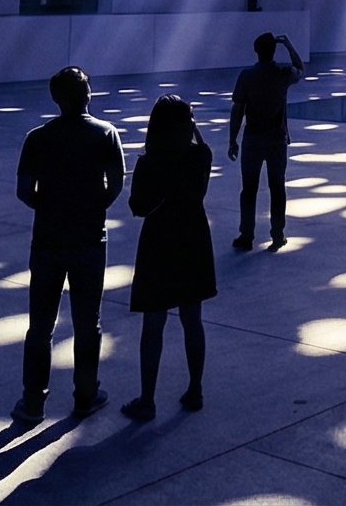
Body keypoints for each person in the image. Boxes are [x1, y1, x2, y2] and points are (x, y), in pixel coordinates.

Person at [12, 67, 125, 424]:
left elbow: (23, 191)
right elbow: (117, 183)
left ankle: (33, 401)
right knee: (87, 322)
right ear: (87, 94)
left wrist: (48, 208)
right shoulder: (105, 133)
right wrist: (93, 207)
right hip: (89, 239)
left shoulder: (37, 137)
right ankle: (85, 395)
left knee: (40, 325)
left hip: (47, 239)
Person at [120, 95, 215, 420]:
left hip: (159, 241)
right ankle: (196, 388)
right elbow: (201, 147)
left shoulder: (150, 162)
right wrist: (194, 128)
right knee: (192, 319)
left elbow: (137, 207)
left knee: (154, 321)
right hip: (193, 239)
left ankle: (147, 399)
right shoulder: (201, 155)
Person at [227, 30, 304, 252]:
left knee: (249, 189)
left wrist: (233, 140)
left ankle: (246, 235)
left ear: (256, 51)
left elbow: (238, 109)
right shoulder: (283, 72)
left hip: (252, 139)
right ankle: (278, 235)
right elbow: (301, 68)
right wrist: (288, 46)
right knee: (277, 187)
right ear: (274, 51)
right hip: (276, 139)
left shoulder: (246, 75)